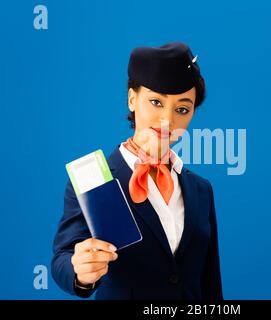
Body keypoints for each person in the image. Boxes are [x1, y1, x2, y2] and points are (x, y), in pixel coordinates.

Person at [51, 42, 223, 300]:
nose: (167, 120)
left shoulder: (201, 190)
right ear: (132, 99)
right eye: (155, 102)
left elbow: (210, 282)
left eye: (182, 109)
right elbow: (63, 257)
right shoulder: (95, 179)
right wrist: (81, 273)